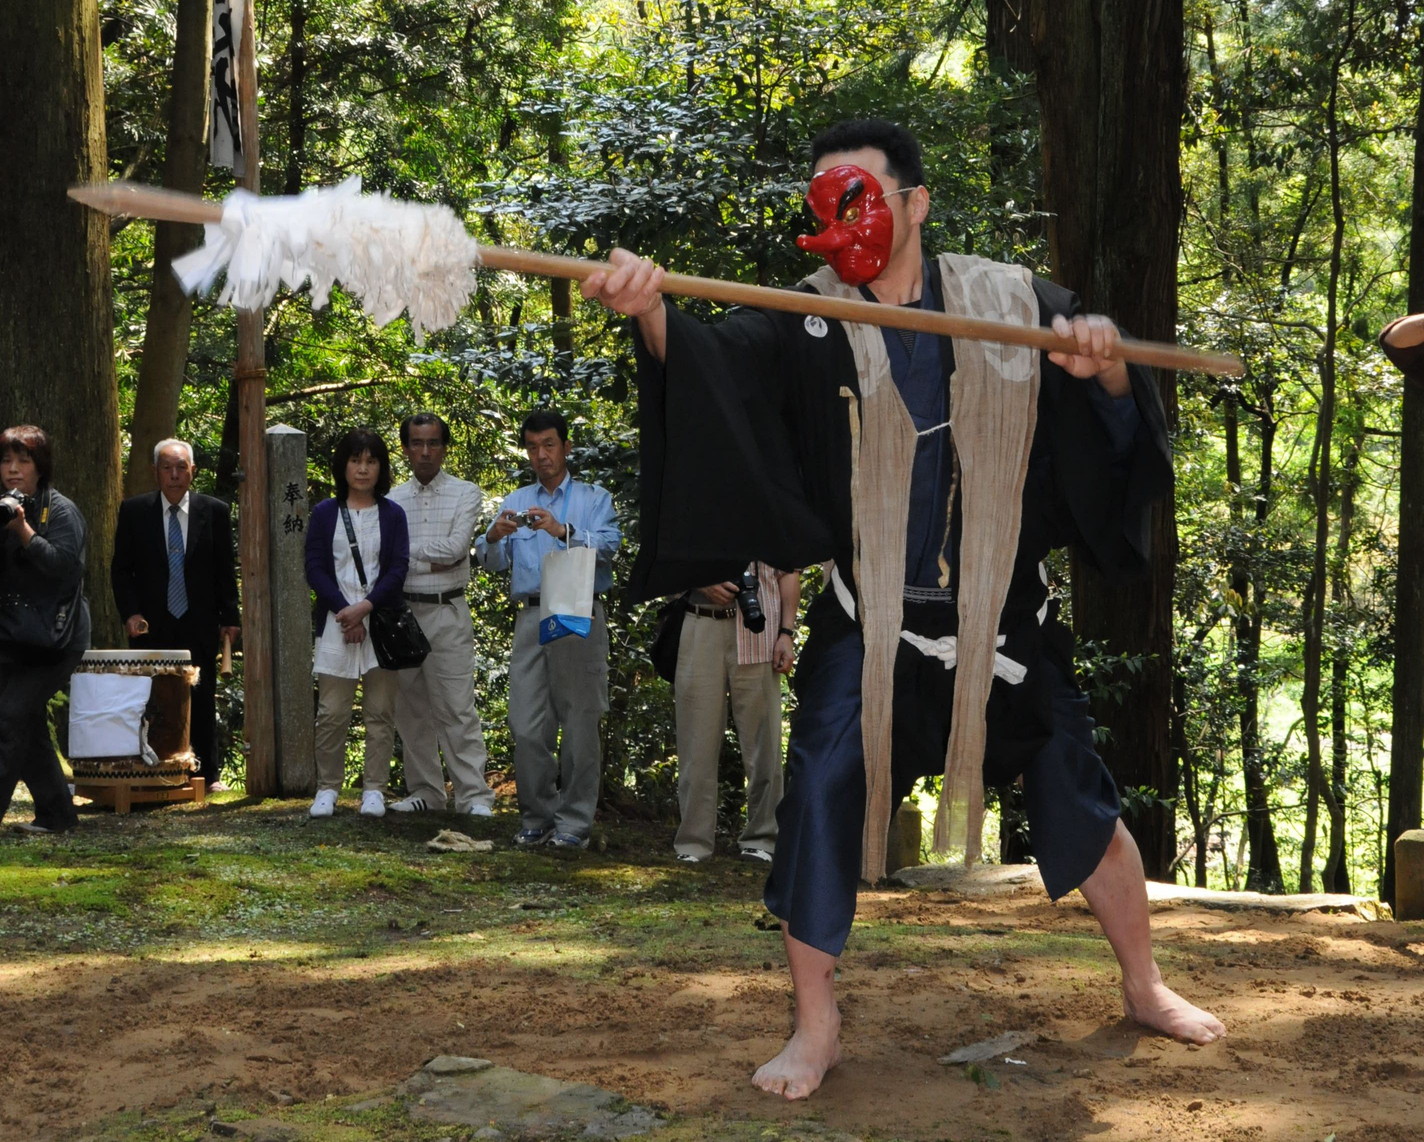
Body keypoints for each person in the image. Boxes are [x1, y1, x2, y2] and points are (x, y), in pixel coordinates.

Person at [582, 118, 1224, 1099]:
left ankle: (1142, 980)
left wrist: (1100, 369)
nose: (840, 221)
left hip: (1001, 616)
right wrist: (652, 313)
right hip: (867, 612)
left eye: (860, 198)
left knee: (1075, 796)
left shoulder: (1013, 303)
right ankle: (815, 1021)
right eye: (823, 204)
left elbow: (1110, 419)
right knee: (821, 785)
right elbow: (715, 368)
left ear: (914, 203)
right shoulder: (801, 317)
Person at [474, 410, 621, 851]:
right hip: (531, 615)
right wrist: (495, 537)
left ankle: (574, 822)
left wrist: (563, 530)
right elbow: (488, 560)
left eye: (550, 445)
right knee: (526, 723)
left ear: (566, 447)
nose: (542, 455)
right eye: (533, 447)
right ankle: (536, 816)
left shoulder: (594, 498)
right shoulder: (515, 499)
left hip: (578, 609)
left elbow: (611, 546)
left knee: (580, 721)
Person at [111, 439, 241, 791]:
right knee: (149, 698)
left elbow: (225, 571)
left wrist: (230, 617)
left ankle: (206, 774)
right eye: (167, 467)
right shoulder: (135, 511)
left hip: (199, 619)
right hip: (151, 622)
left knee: (200, 694)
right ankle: (148, 768)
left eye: (181, 467)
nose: (174, 474)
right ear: (155, 472)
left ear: (192, 471)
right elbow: (122, 570)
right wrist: (130, 613)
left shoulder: (213, 511)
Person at [386, 412, 496, 816]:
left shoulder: (466, 493)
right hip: (402, 613)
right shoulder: (392, 498)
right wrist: (420, 561)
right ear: (406, 448)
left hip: (447, 610)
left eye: (433, 443)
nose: (426, 452)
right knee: (410, 708)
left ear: (444, 447)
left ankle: (474, 797)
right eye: (417, 443)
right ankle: (426, 792)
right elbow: (388, 559)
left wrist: (407, 555)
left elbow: (455, 551)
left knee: (456, 707)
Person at [304, 429, 409, 818]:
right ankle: (328, 788)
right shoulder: (324, 513)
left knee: (380, 711)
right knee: (331, 711)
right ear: (343, 466)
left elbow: (397, 568)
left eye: (370, 461)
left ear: (380, 468)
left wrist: (364, 607)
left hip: (379, 621)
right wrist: (344, 611)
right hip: (336, 622)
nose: (362, 469)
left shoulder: (392, 514)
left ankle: (374, 790)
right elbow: (314, 567)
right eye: (355, 460)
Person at [673, 562, 799, 864]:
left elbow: (790, 571)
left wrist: (786, 633)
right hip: (699, 622)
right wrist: (703, 583)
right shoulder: (689, 513)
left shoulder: (773, 514)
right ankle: (693, 844)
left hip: (760, 630)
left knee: (763, 742)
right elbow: (668, 564)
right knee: (695, 742)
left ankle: (762, 840)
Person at [0, 426, 88, 834]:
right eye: (6, 460)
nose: (13, 470)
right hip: (16, 637)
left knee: (9, 716)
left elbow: (63, 571)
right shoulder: (3, 506)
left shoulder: (62, 511)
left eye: (23, 460)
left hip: (57, 640)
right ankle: (57, 814)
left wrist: (23, 532)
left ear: (41, 466)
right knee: (26, 723)